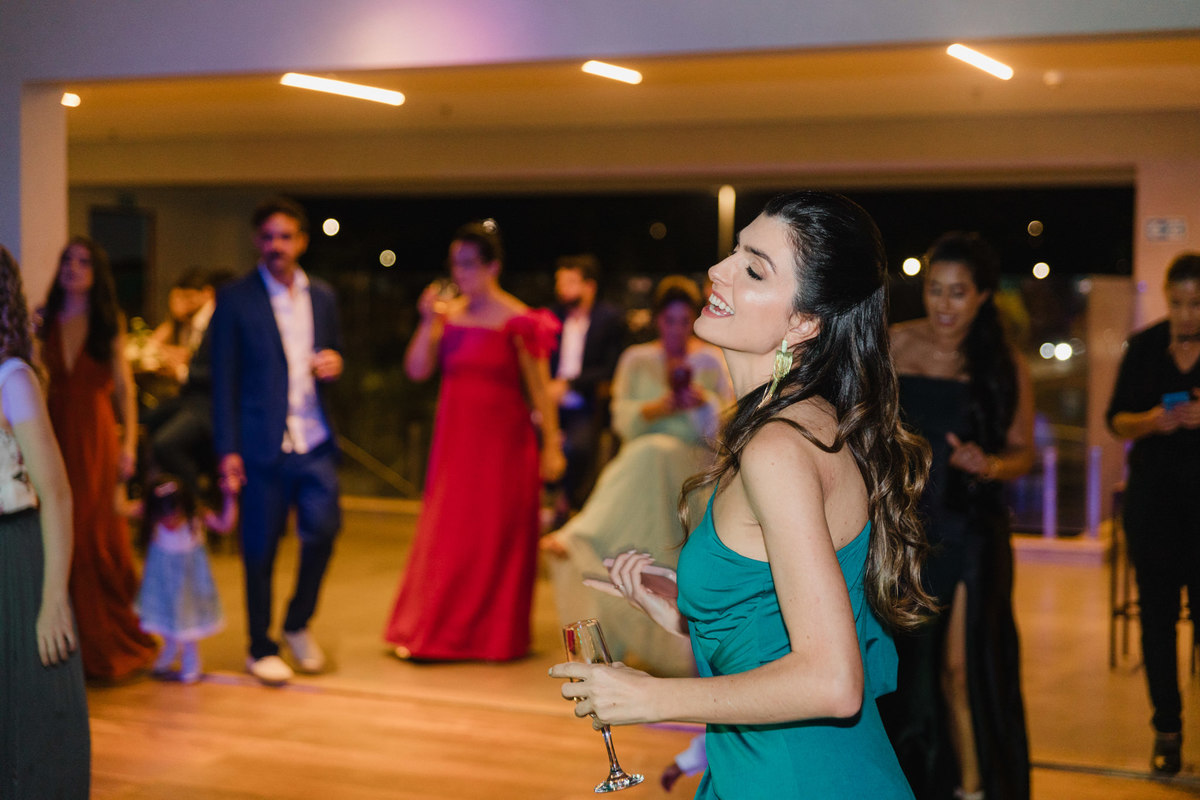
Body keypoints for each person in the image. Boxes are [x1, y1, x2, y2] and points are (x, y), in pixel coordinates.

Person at [550, 191, 934, 798]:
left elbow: (834, 680)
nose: (718, 272)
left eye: (754, 269)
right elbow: (790, 613)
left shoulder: (775, 449)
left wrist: (649, 696)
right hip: (776, 767)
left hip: (795, 779)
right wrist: (694, 612)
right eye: (734, 253)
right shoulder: (804, 421)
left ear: (805, 321)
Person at [882, 232, 1035, 800]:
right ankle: (911, 781)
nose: (944, 304)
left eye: (958, 292)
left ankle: (972, 788)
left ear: (984, 296)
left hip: (970, 531)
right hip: (904, 531)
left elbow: (1024, 453)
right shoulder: (894, 345)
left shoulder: (1002, 363)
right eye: (934, 290)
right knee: (905, 673)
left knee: (960, 671)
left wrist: (989, 463)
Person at [384, 220, 565, 662]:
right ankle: (437, 632)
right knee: (449, 536)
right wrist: (428, 322)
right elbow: (416, 370)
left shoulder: (519, 320)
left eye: (469, 264)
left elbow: (540, 389)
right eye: (455, 264)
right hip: (455, 446)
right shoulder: (449, 317)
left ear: (492, 267)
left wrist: (553, 446)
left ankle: (488, 638)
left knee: (492, 541)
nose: (460, 273)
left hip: (503, 448)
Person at [542, 275, 733, 677]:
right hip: (643, 465)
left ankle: (581, 529)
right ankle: (583, 537)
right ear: (658, 322)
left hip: (691, 463)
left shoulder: (711, 360)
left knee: (652, 456)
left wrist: (703, 403)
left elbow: (727, 427)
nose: (677, 331)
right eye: (670, 322)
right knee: (646, 454)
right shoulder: (636, 359)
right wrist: (658, 408)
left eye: (684, 321)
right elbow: (622, 422)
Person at [210, 197, 344, 686]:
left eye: (285, 237)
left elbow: (335, 354)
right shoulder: (235, 297)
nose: (276, 246)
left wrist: (336, 364)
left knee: (324, 530)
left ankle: (296, 623)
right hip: (259, 443)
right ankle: (260, 645)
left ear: (302, 242)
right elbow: (222, 380)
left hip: (314, 439)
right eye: (267, 237)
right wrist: (227, 451)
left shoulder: (323, 296)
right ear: (256, 241)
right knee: (260, 549)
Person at [37, 234, 158, 681]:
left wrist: (127, 447)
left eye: (84, 261)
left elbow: (124, 388)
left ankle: (101, 639)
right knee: (56, 526)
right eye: (67, 259)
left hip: (94, 435)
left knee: (92, 531)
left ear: (96, 273)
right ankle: (61, 639)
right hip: (54, 430)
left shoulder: (108, 321)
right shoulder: (44, 319)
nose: (73, 267)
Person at [0, 245, 91, 798]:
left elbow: (56, 493)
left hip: (13, 556)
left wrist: (53, 594)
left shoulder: (12, 377)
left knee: (31, 710)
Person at [1106, 251, 1200, 775]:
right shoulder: (1144, 348)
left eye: (1197, 303)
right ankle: (1167, 728)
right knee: (1158, 622)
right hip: (1154, 509)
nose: (1187, 314)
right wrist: (1153, 422)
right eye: (1179, 302)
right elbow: (1116, 421)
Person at [136, 472, 238, 684]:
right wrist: (121, 479)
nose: (169, 520)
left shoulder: (196, 517)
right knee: (163, 617)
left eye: (174, 513)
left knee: (187, 621)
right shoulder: (152, 517)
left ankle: (191, 657)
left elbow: (225, 525)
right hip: (161, 582)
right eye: (163, 515)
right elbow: (119, 507)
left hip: (188, 584)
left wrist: (230, 496)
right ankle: (170, 647)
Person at [548, 254, 627, 523]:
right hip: (547, 400)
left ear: (589, 286)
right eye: (560, 282)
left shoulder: (609, 319)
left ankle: (565, 503)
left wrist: (570, 383)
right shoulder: (551, 317)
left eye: (570, 282)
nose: (562, 288)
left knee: (578, 447)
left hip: (585, 403)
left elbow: (611, 368)